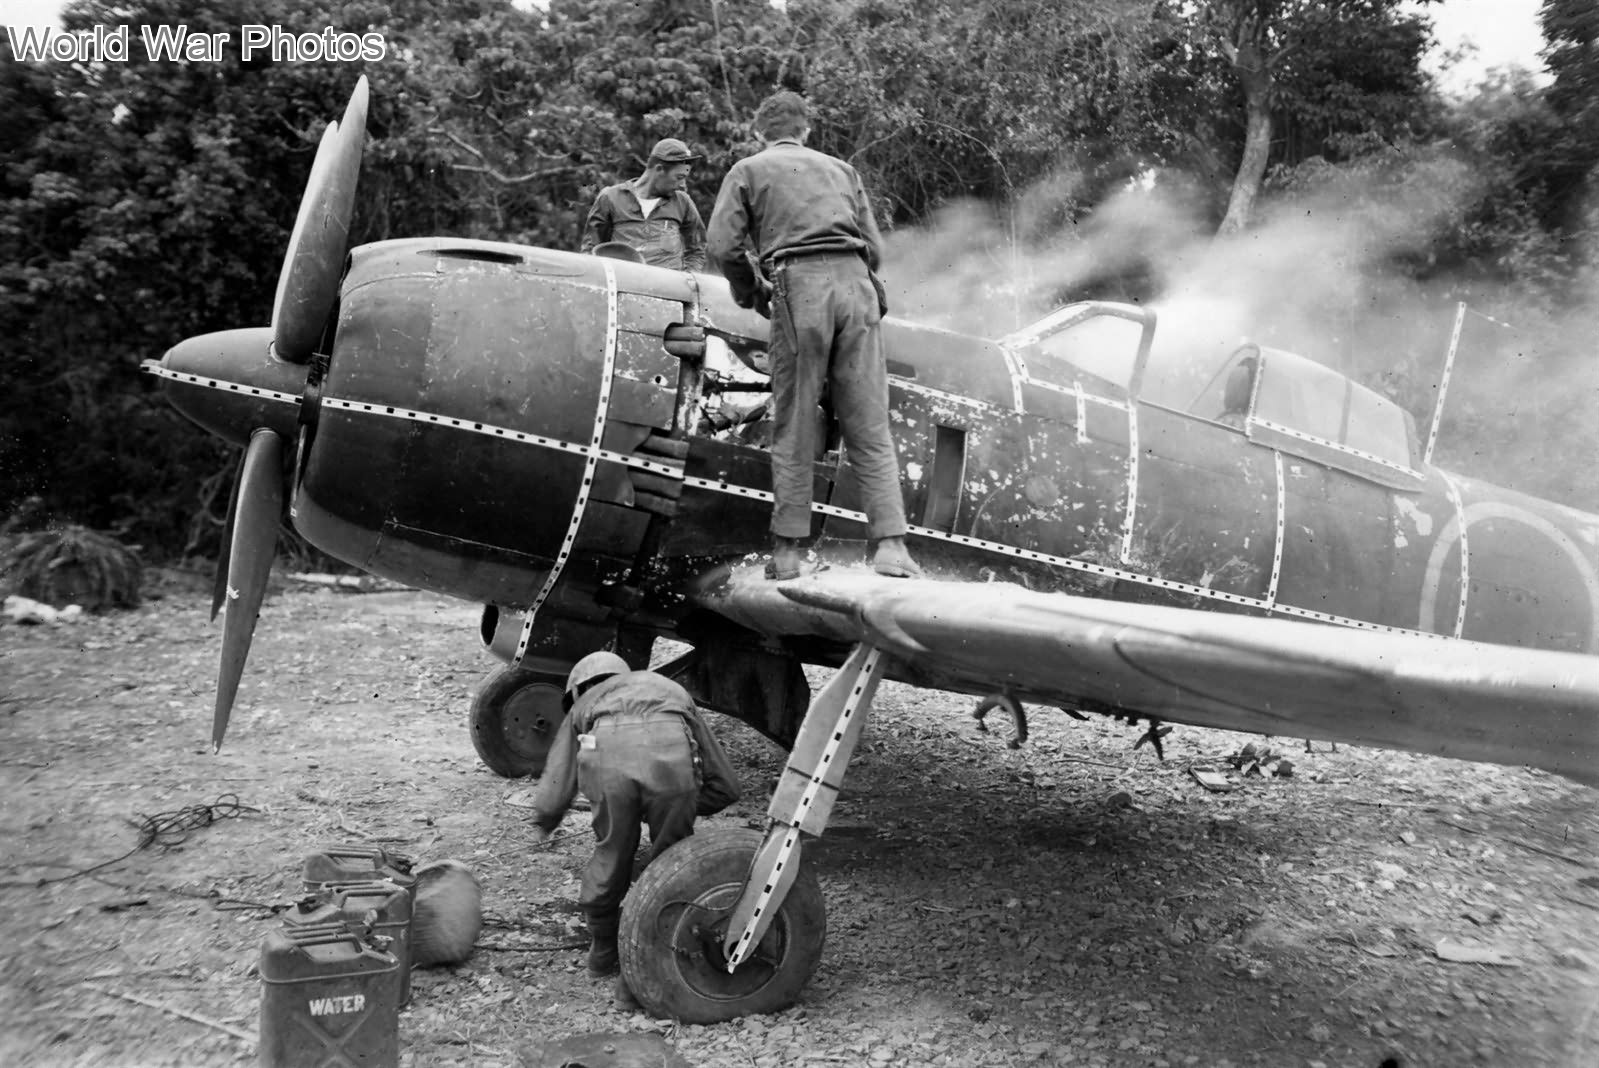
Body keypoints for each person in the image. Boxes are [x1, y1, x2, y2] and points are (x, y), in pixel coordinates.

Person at [704, 91, 920, 580]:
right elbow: (876, 252)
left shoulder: (748, 170)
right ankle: (890, 546)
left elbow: (722, 245)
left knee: (796, 421)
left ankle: (787, 555)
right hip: (858, 290)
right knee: (867, 420)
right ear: (806, 130)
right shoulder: (842, 170)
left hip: (799, 290)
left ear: (761, 132)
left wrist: (751, 291)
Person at [527, 651, 741, 1006]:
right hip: (674, 769)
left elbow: (557, 781)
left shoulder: (586, 704)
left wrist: (546, 819)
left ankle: (603, 952)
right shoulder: (668, 687)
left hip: (607, 764)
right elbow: (726, 783)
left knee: (611, 854)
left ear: (579, 688)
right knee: (670, 865)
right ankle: (637, 975)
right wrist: (682, 802)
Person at [580, 138, 708, 271]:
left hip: (668, 287)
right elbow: (590, 249)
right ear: (659, 169)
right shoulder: (611, 197)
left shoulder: (682, 202)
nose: (682, 185)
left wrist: (690, 277)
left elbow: (697, 249)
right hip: (624, 284)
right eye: (679, 178)